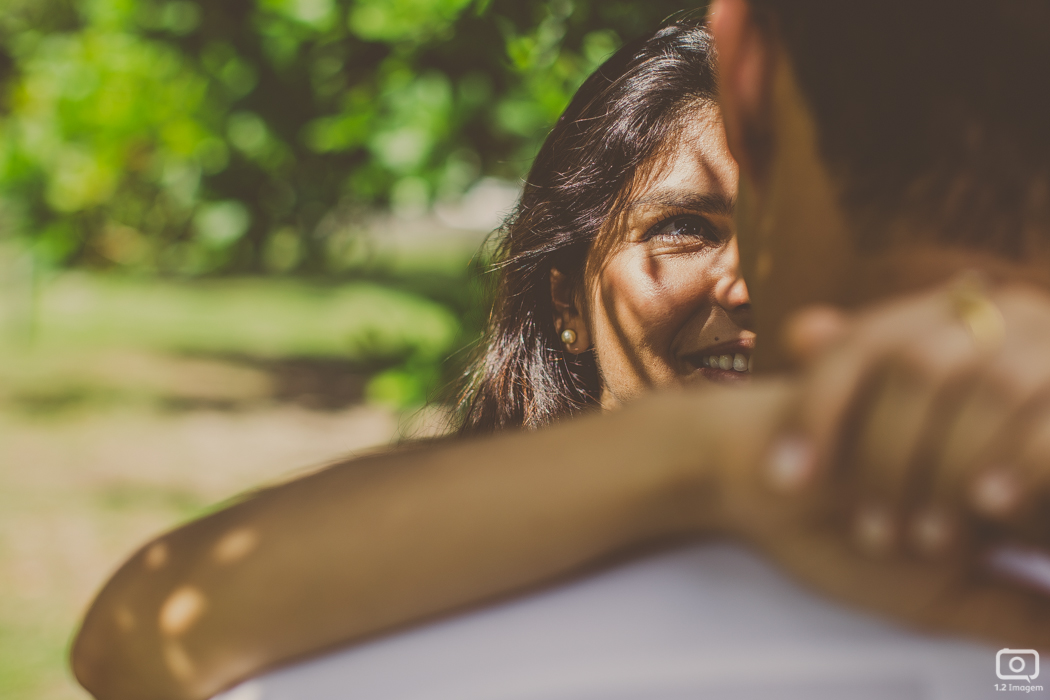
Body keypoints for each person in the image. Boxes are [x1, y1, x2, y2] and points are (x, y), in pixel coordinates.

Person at [71, 7, 1050, 700]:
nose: (747, 280)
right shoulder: (399, 590)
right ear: (563, 300)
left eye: (766, 221)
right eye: (687, 228)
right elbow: (138, 636)